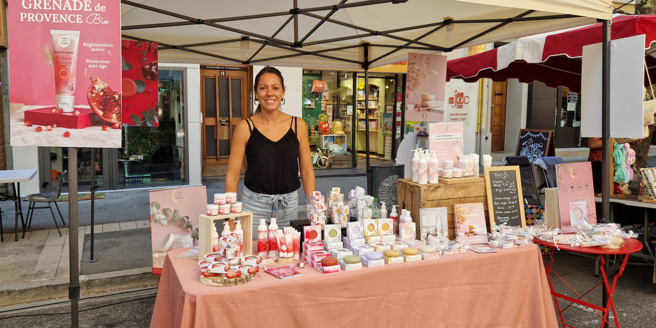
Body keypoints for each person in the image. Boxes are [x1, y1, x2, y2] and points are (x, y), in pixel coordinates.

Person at [225, 66, 316, 238]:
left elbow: (307, 171)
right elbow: (232, 175)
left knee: (287, 256)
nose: (269, 93)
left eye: (275, 88)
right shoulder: (245, 127)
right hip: (253, 206)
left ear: (283, 93)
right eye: (263, 88)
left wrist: (314, 208)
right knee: (252, 256)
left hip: (288, 206)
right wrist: (230, 218)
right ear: (256, 93)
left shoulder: (298, 125)